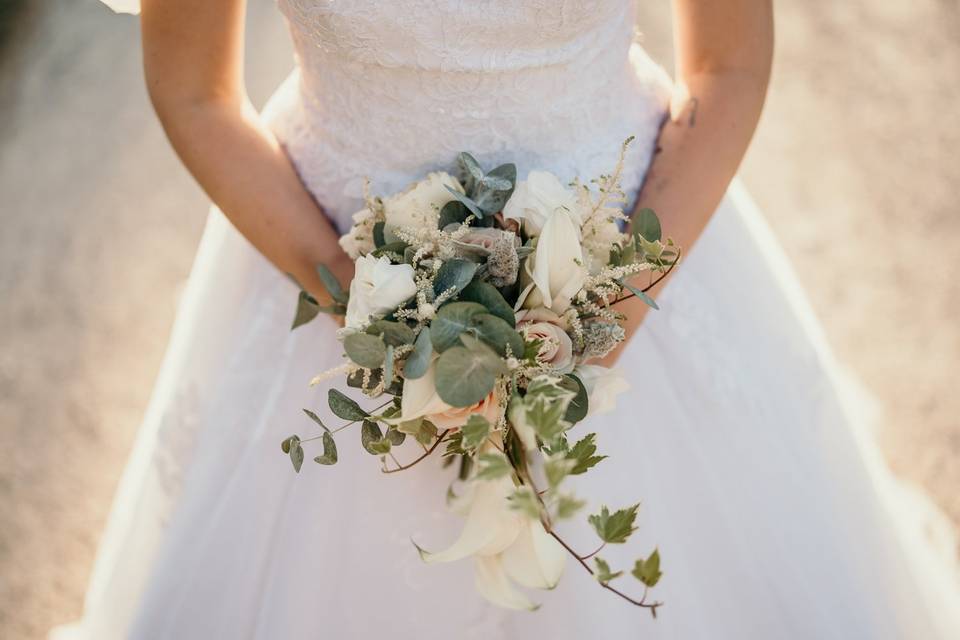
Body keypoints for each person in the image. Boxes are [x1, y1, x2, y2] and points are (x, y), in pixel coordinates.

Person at [54, 0, 960, 638]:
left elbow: (729, 64)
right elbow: (195, 93)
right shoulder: (359, 299)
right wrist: (374, 311)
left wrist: (608, 311)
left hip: (635, 244)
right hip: (328, 265)